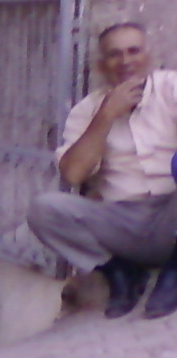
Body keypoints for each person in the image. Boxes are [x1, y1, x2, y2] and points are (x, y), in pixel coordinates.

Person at [29, 22, 177, 319]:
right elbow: (73, 175)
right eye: (114, 54)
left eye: (133, 51)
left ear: (148, 56)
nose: (125, 61)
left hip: (171, 213)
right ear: (101, 64)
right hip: (122, 221)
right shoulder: (87, 110)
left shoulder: (170, 87)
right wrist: (106, 114)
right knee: (43, 210)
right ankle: (119, 271)